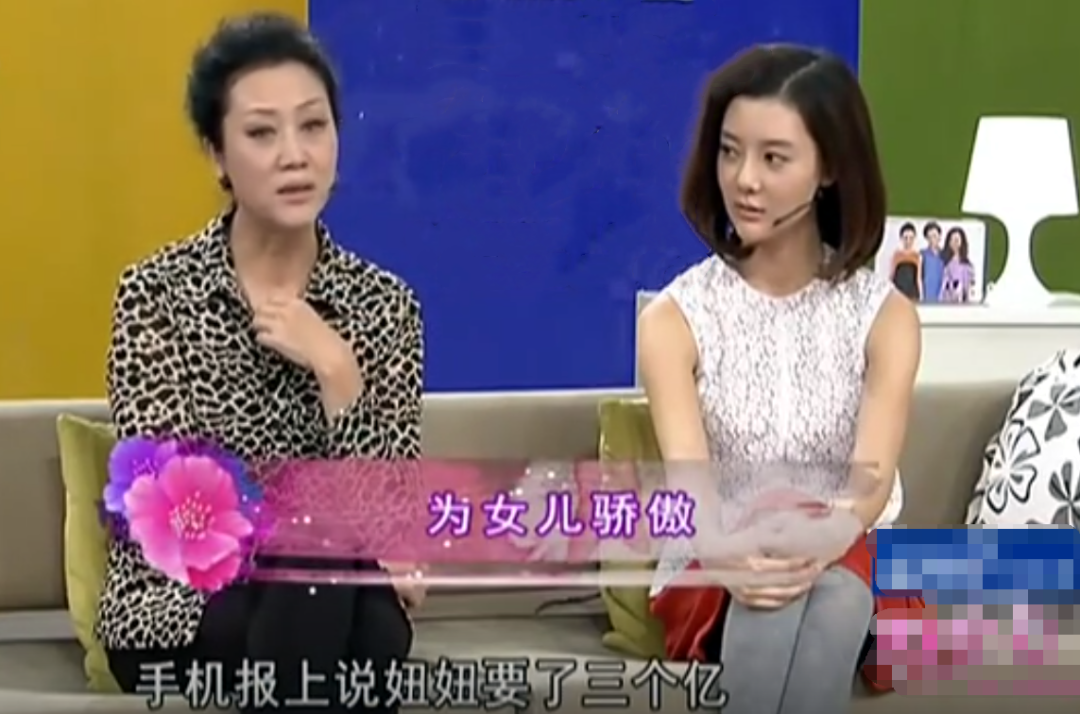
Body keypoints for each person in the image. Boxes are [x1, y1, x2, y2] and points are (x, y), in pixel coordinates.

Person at [94, 14, 424, 714]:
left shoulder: (384, 307)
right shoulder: (157, 295)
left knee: (355, 612)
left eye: (313, 126)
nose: (294, 155)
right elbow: (169, 518)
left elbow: (392, 524)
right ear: (217, 154)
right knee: (349, 610)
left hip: (331, 592)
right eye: (262, 133)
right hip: (180, 612)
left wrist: (337, 372)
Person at [638, 44, 924, 714]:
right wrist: (732, 555)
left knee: (838, 595)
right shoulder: (674, 319)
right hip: (719, 564)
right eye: (730, 152)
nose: (744, 180)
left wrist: (818, 543)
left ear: (829, 168)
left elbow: (868, 486)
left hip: (852, 551)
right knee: (778, 600)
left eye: (774, 158)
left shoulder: (885, 318)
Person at [940, 226, 975, 303]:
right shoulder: (942, 260)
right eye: (951, 240)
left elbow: (969, 288)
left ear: (962, 242)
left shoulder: (967, 265)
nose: (954, 243)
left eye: (956, 240)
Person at [889, 222, 922, 301]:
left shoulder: (917, 256)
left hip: (912, 294)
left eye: (911, 238)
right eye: (905, 238)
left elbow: (918, 278)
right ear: (901, 238)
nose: (908, 241)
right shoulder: (896, 255)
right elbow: (892, 275)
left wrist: (921, 295)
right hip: (898, 292)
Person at [919, 221, 944, 304]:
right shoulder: (922, 254)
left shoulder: (945, 254)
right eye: (929, 237)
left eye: (934, 236)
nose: (932, 240)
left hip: (943, 298)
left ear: (939, 236)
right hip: (926, 298)